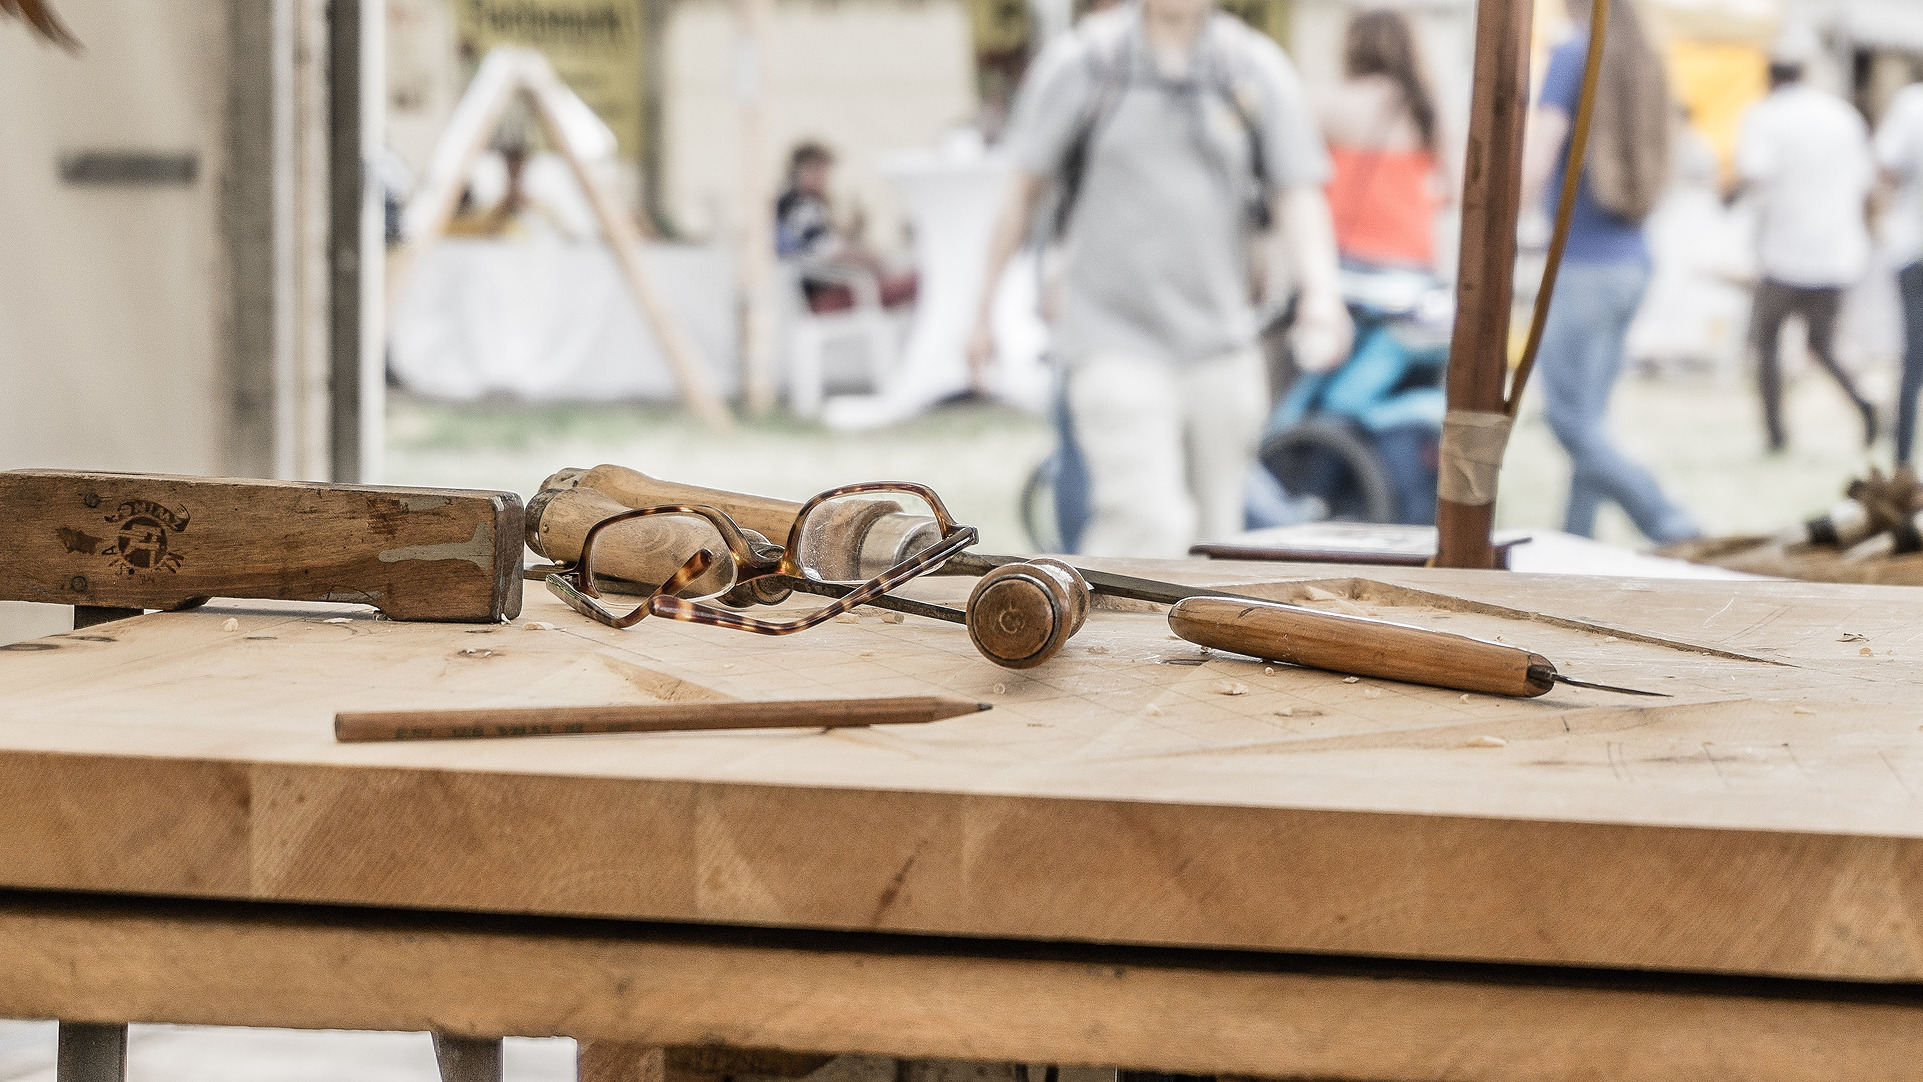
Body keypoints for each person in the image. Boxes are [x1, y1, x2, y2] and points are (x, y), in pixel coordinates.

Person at [967, 0, 1350, 558]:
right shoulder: (1087, 63)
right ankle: (1120, 646)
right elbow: (1022, 190)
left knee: (1220, 543)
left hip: (1221, 345)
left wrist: (1322, 294)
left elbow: (1297, 192)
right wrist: (981, 314)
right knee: (1146, 527)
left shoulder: (1250, 68)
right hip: (1112, 339)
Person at [1521, 0, 1697, 543]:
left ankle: (1672, 523)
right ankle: (1576, 540)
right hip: (1630, 262)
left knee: (1570, 424)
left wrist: (1497, 222)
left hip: (1581, 267)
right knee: (1591, 425)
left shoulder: (1575, 51)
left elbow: (1540, 152)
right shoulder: (1642, 53)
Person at [1734, 54, 1878, 452]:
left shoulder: (1764, 115)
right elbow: (1867, 181)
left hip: (1785, 252)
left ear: (1769, 78)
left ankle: (1776, 434)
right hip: (1837, 251)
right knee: (1824, 344)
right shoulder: (1842, 116)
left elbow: (1753, 174)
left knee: (1766, 347)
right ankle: (1863, 401)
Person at [1319, 7, 1453, 271]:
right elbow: (1452, 190)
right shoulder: (1425, 109)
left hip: (1343, 249)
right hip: (1411, 253)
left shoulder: (1330, 105)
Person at [775, 142, 916, 311]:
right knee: (918, 281)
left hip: (823, 289)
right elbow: (831, 251)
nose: (824, 177)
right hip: (825, 296)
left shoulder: (794, 204)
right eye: (818, 169)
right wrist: (877, 260)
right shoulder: (800, 207)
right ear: (800, 171)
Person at [1876, 73, 1923, 467]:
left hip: (1914, 246)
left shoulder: (1911, 104)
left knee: (1914, 358)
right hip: (1913, 246)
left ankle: (1902, 461)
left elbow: (1886, 167)